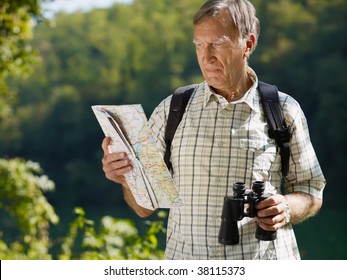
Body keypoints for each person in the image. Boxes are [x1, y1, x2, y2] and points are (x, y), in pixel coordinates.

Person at [101, 0, 326, 260]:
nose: (206, 57)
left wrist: (286, 207)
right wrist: (125, 176)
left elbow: (311, 190)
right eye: (199, 45)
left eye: (218, 43)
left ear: (248, 44)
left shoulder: (284, 110)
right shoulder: (172, 109)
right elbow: (143, 208)